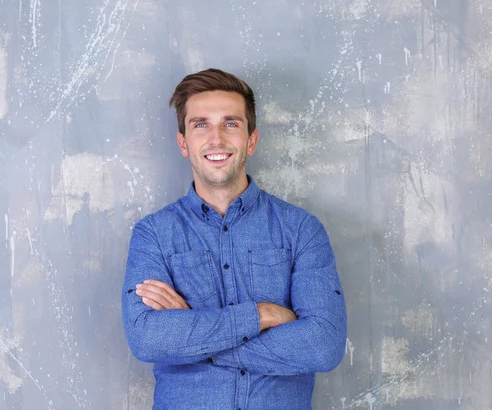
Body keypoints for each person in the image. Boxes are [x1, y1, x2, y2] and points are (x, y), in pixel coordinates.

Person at [121, 68, 347, 410]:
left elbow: (322, 346)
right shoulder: (153, 234)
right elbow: (147, 339)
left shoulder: (301, 229)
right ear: (183, 142)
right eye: (200, 124)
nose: (216, 139)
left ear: (251, 139)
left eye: (230, 123)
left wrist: (194, 334)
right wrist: (261, 315)